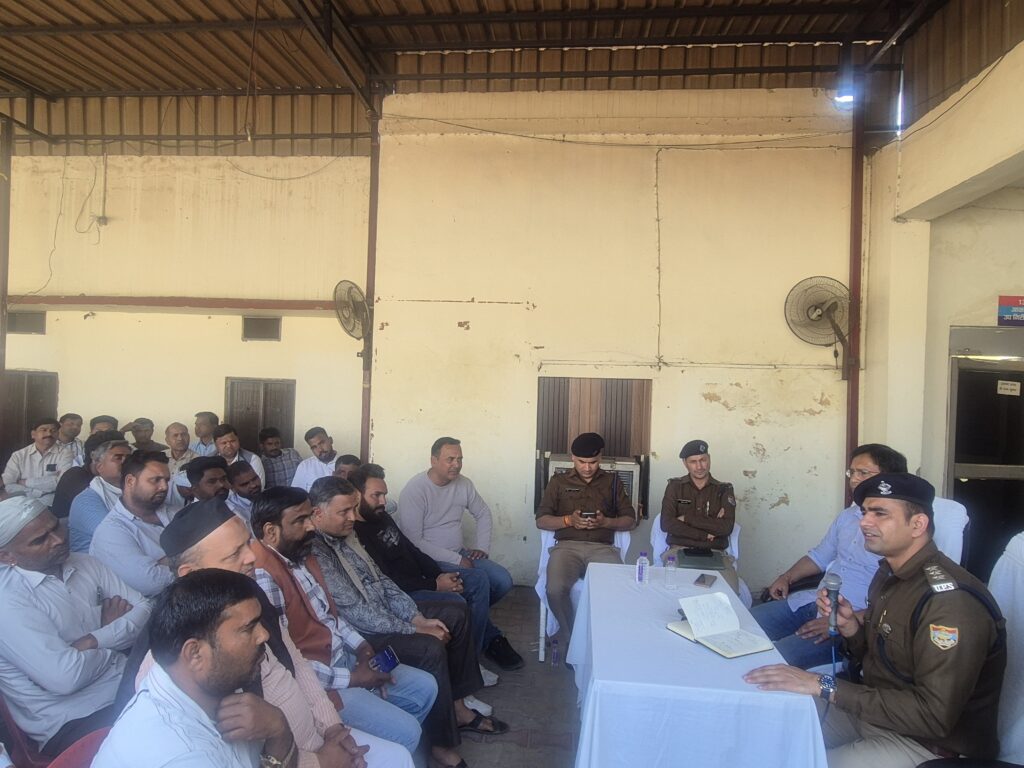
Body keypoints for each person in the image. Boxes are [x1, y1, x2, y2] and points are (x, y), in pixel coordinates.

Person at [115, 499, 414, 768]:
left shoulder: (251, 597)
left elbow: (297, 665)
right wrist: (321, 761)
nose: (252, 557)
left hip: (317, 738)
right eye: (235, 553)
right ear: (190, 574)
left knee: (398, 757)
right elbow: (240, 756)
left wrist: (332, 727)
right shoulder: (184, 661)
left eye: (248, 543)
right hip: (292, 759)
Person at [745, 474, 1007, 767]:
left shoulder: (950, 602)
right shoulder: (888, 575)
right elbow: (882, 660)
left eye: (880, 513)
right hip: (873, 713)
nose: (864, 522)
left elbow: (933, 716)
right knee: (764, 723)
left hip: (927, 745)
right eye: (865, 512)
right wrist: (852, 630)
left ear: (917, 525)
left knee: (798, 762)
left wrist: (824, 684)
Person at [310, 477, 506, 768]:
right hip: (366, 633)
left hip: (387, 613)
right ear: (318, 513)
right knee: (430, 645)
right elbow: (358, 614)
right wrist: (415, 628)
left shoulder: (347, 535)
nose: (353, 517)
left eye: (353, 508)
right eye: (344, 512)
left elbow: (382, 582)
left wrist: (417, 617)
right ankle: (440, 743)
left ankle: (458, 707)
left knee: (456, 613)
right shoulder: (318, 552)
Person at [250, 487, 437, 755]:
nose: (311, 526)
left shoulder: (301, 555)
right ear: (271, 531)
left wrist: (362, 648)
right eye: (300, 520)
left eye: (310, 517)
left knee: (425, 687)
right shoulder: (264, 576)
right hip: (322, 683)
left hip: (345, 658)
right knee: (407, 732)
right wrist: (354, 678)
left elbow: (330, 617)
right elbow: (287, 661)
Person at [93, 569, 297, 768]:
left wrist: (278, 729)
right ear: (195, 654)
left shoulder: (208, 679)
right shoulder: (181, 755)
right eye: (248, 628)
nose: (264, 635)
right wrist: (279, 730)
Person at [0, 496, 150, 757]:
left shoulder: (85, 563)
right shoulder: (8, 601)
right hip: (76, 718)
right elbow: (65, 678)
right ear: (6, 556)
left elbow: (146, 611)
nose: (58, 539)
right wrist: (115, 636)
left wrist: (92, 640)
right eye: (40, 540)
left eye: (56, 526)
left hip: (129, 683)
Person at [751, 443, 908, 669]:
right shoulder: (847, 517)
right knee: (741, 625)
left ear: (889, 479)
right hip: (811, 602)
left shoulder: (900, 531)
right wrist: (786, 577)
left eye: (863, 472)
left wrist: (845, 621)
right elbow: (819, 557)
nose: (854, 479)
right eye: (852, 472)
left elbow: (900, 602)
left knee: (772, 661)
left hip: (851, 624)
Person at [349, 465, 499, 687]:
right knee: (457, 604)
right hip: (404, 594)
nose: (383, 501)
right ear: (356, 495)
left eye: (384, 494)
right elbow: (388, 581)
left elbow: (411, 549)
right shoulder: (356, 534)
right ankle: (461, 671)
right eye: (376, 495)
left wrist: (442, 575)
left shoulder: (381, 516)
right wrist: (435, 585)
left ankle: (470, 659)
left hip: (422, 580)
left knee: (477, 580)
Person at [398, 437, 523, 671]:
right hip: (430, 562)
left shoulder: (464, 484)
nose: (456, 464)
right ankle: (473, 656)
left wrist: (482, 548)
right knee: (479, 582)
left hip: (459, 554)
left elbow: (483, 513)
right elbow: (413, 541)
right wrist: (457, 560)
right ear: (433, 460)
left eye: (460, 459)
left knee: (502, 580)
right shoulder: (415, 490)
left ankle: (469, 630)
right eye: (450, 459)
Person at [536, 432, 636, 646]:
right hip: (567, 548)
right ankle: (573, 639)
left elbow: (630, 520)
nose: (588, 467)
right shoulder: (559, 481)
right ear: (573, 457)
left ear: (600, 457)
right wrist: (568, 520)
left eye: (593, 462)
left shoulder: (613, 482)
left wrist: (606, 522)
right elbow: (541, 520)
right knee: (555, 590)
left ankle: (603, 639)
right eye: (582, 462)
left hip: (602, 548)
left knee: (619, 589)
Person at [659, 439, 741, 594]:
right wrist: (704, 534)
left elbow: (726, 527)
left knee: (730, 595)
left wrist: (687, 519)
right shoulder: (675, 487)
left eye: (703, 460)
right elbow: (667, 523)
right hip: (680, 550)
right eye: (693, 462)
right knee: (673, 592)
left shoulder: (723, 489)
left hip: (715, 553)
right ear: (685, 463)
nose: (699, 466)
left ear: (709, 459)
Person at [89, 451, 175, 596]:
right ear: (130, 481)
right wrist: (192, 559)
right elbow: (151, 583)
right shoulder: (111, 531)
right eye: (156, 480)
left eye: (166, 480)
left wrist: (165, 562)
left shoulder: (174, 512)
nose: (164, 487)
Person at [68, 438, 132, 552]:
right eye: (118, 457)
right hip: (93, 559)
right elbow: (115, 538)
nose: (126, 462)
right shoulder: (86, 500)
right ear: (99, 467)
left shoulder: (135, 493)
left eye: (129, 458)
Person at [51, 430, 124, 520]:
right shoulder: (75, 477)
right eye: (118, 457)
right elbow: (108, 518)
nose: (125, 461)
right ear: (94, 456)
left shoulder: (114, 478)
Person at [1, 418, 72, 507]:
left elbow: (62, 483)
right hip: (23, 503)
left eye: (53, 431)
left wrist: (25, 482)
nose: (49, 434)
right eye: (44, 430)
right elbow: (9, 483)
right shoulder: (18, 455)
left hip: (52, 504)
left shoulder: (66, 454)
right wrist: (36, 492)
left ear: (58, 434)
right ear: (33, 434)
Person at [291, 427, 339, 492]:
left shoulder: (345, 464)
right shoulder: (304, 466)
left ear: (330, 440)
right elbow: (295, 494)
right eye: (314, 447)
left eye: (322, 443)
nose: (320, 449)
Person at [227, 461, 262, 527]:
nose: (253, 485)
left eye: (255, 479)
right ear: (232, 488)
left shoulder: (270, 497)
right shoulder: (230, 510)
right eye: (245, 484)